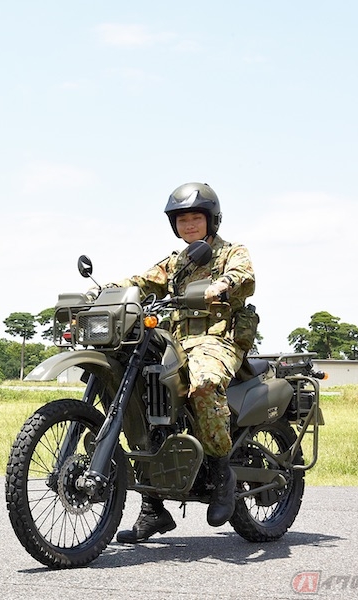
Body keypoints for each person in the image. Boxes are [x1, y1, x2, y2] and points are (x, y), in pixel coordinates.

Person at [107, 182, 256, 542]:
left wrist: (221, 286)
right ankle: (154, 509)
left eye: (196, 218)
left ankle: (222, 474)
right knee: (139, 399)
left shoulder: (231, 252)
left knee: (203, 385)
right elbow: (142, 282)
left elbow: (245, 278)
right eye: (183, 220)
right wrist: (106, 290)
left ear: (211, 220)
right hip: (175, 340)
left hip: (216, 340)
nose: (189, 225)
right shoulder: (176, 262)